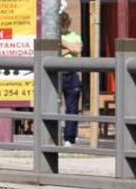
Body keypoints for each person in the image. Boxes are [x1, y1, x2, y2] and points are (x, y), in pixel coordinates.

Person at [59, 11, 84, 145]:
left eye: (65, 23)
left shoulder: (74, 35)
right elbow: (56, 52)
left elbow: (78, 50)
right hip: (57, 72)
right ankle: (54, 134)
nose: (64, 26)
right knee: (52, 105)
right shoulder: (51, 35)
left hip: (72, 73)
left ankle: (70, 137)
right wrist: (70, 48)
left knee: (72, 107)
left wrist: (63, 44)